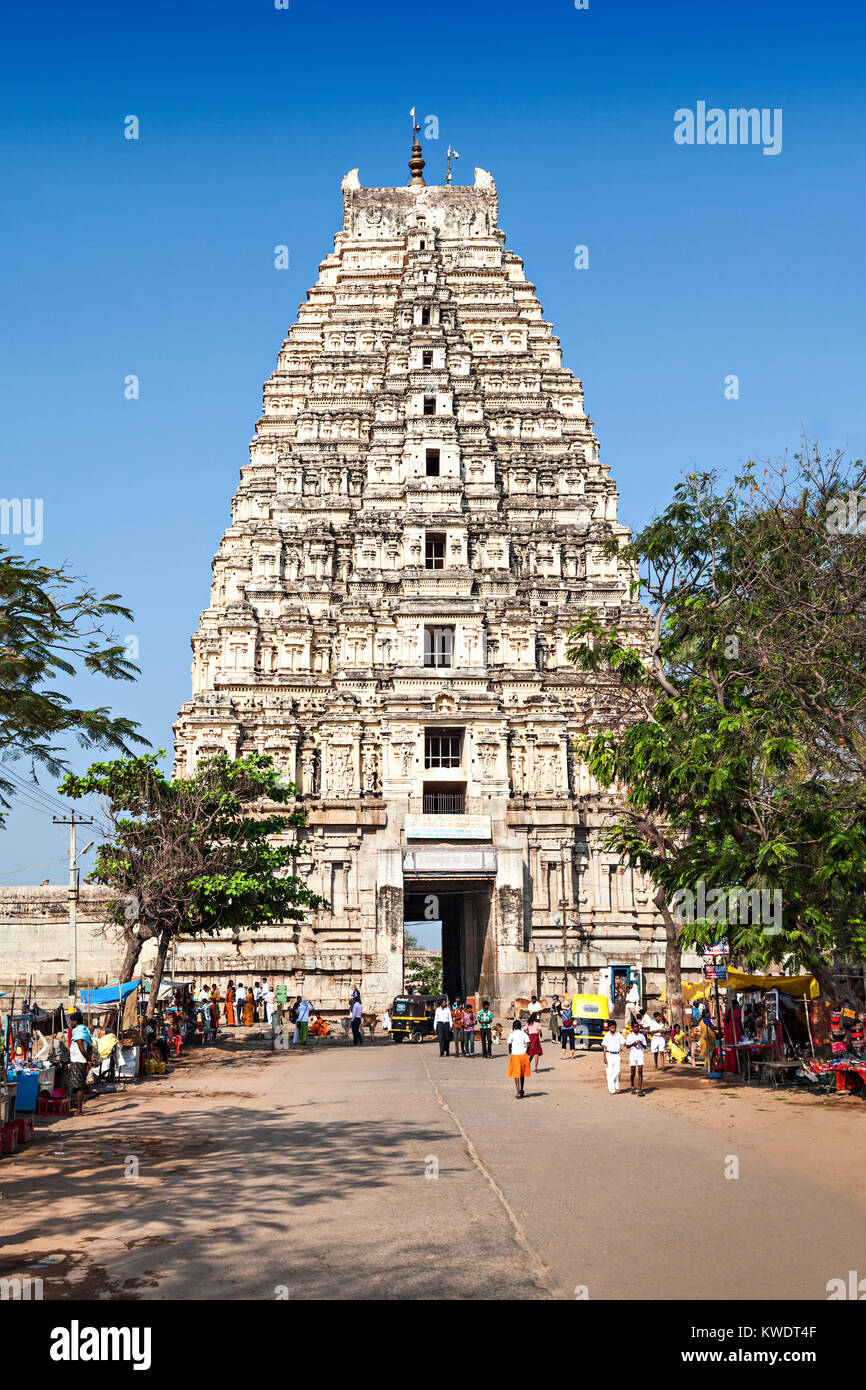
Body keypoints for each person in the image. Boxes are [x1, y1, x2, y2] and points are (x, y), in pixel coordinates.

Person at [68, 1011, 94, 1116]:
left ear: (76, 1021)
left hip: (79, 1060)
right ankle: (78, 1109)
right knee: (79, 1085)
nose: (71, 1023)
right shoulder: (83, 1030)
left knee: (79, 1086)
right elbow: (90, 1046)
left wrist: (89, 1059)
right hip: (79, 1060)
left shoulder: (79, 1032)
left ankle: (79, 1110)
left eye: (72, 1021)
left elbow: (82, 1049)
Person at [507, 1018, 531, 1098]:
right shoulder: (524, 1034)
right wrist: (526, 1050)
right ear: (520, 1026)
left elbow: (509, 1044)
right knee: (522, 1074)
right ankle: (522, 1089)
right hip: (523, 1055)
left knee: (516, 1074)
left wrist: (510, 1051)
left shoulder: (512, 1034)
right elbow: (528, 1043)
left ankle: (518, 1091)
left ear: (514, 1026)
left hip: (515, 1055)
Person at [602, 1019, 625, 1094]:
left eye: (615, 1027)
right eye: (612, 1027)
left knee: (617, 1071)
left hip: (617, 1055)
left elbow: (624, 1043)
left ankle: (616, 1085)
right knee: (609, 1072)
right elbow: (604, 1046)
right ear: (609, 1027)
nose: (614, 1029)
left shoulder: (618, 1035)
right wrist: (604, 1057)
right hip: (609, 1055)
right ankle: (612, 1089)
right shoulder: (606, 1035)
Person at [626, 1020, 647, 1095]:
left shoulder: (641, 1036)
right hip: (632, 1055)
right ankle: (632, 1084)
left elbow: (645, 1047)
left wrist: (640, 1043)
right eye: (635, 1027)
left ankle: (639, 1089)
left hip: (640, 1054)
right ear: (632, 1028)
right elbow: (627, 1046)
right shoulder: (629, 1036)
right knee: (633, 1073)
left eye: (637, 1027)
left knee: (640, 1071)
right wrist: (634, 1044)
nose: (636, 1028)